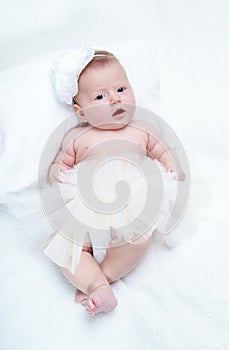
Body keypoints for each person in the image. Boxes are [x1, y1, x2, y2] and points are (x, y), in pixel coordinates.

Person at [43, 46, 185, 315]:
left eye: (121, 89)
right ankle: (96, 285)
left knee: (139, 235)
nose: (114, 100)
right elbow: (60, 165)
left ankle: (105, 275)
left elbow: (163, 151)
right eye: (99, 96)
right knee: (66, 248)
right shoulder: (77, 137)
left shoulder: (142, 129)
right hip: (87, 201)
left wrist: (172, 167)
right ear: (81, 112)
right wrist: (55, 176)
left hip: (133, 198)